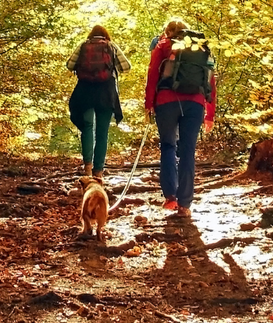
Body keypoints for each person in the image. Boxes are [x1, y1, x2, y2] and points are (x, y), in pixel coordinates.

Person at [145, 17, 217, 219]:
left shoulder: (163, 45)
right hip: (195, 103)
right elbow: (210, 79)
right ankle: (185, 204)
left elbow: (152, 74)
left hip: (166, 101)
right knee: (188, 151)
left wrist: (149, 104)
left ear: (167, 31)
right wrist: (209, 113)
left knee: (168, 146)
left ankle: (170, 198)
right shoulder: (200, 48)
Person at [67, 25, 130, 178]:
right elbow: (126, 67)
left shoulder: (83, 45)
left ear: (91, 35)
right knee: (102, 132)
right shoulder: (111, 46)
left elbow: (69, 65)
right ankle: (98, 171)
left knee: (88, 127)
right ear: (105, 35)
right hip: (106, 92)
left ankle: (87, 166)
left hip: (85, 91)